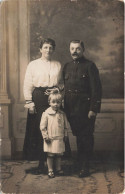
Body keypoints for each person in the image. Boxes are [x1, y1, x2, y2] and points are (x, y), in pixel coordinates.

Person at [23, 38, 63, 174]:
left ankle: (54, 162)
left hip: (53, 98)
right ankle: (41, 162)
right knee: (40, 128)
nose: (48, 50)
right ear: (40, 49)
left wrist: (56, 89)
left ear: (53, 50)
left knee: (54, 127)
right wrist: (29, 102)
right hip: (38, 97)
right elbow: (28, 84)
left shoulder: (58, 64)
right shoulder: (33, 65)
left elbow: (62, 83)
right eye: (45, 47)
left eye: (51, 47)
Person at [63, 40, 102, 177]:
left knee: (85, 137)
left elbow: (96, 90)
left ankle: (85, 166)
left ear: (83, 50)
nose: (74, 51)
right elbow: (64, 88)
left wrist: (94, 109)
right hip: (70, 109)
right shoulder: (67, 66)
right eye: (72, 48)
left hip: (85, 109)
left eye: (78, 49)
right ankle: (79, 163)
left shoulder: (90, 66)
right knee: (78, 136)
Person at [40, 89, 70, 178]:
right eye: (53, 102)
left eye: (58, 102)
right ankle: (50, 170)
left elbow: (65, 126)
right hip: (50, 138)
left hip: (59, 138)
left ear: (61, 103)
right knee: (50, 155)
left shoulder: (62, 114)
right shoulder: (46, 114)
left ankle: (58, 168)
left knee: (58, 154)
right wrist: (45, 136)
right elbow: (42, 126)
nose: (56, 104)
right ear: (49, 102)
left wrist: (65, 135)